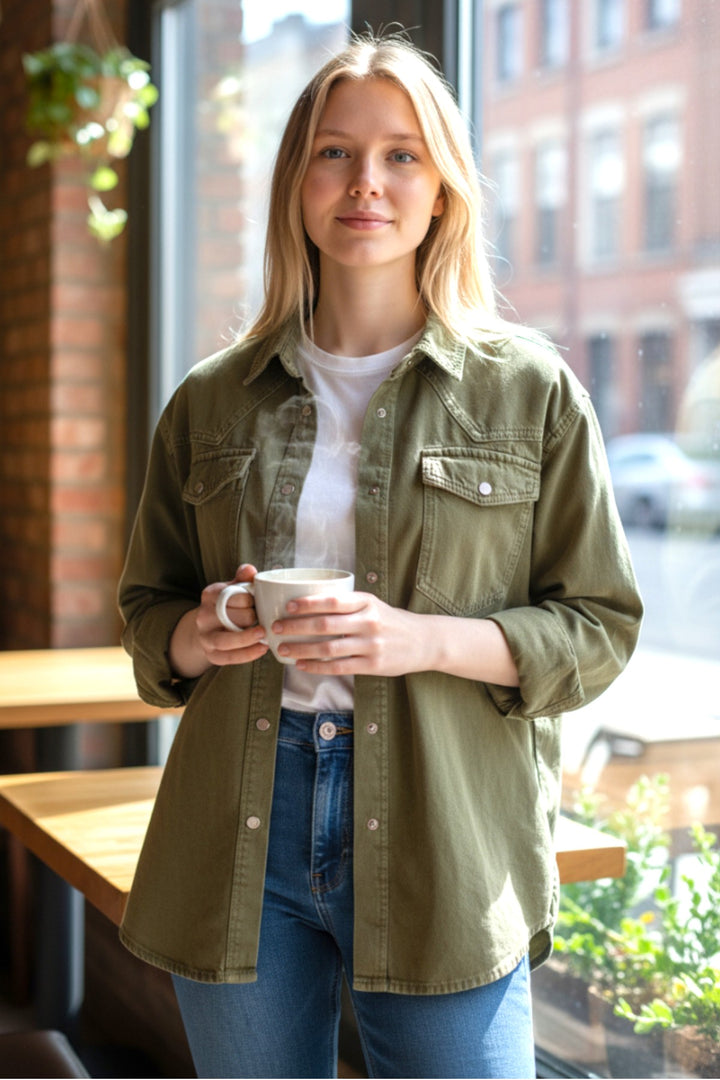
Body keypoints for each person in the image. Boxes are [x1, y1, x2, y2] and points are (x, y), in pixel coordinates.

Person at [118, 32, 643, 1080]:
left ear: (444, 188)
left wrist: (418, 640)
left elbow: (599, 628)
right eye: (335, 153)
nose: (368, 183)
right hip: (237, 828)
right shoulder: (210, 398)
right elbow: (148, 618)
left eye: (403, 155)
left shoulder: (530, 392)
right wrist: (207, 628)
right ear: (296, 183)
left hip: (447, 834)